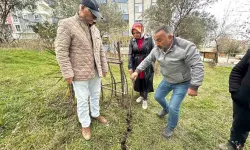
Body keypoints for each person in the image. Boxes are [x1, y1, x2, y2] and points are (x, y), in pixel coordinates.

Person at [131, 25, 204, 138]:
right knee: (158, 96)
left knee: (174, 107)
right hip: (167, 79)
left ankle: (170, 127)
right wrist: (137, 70)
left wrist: (194, 86)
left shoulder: (186, 47)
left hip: (182, 82)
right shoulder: (157, 49)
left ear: (170, 37)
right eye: (155, 40)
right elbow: (148, 59)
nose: (157, 43)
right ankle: (166, 109)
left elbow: (197, 65)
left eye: (159, 40)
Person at [55, 0, 108, 141]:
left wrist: (104, 67)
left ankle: (95, 113)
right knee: (83, 99)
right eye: (92, 14)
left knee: (95, 94)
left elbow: (100, 50)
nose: (94, 18)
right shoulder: (66, 24)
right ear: (82, 8)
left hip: (95, 70)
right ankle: (85, 124)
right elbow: (61, 51)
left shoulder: (95, 28)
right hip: (79, 72)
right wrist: (67, 72)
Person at [219, 49, 250, 150]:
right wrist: (236, 91)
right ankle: (234, 143)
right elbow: (238, 70)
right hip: (242, 101)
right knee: (239, 123)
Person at [128, 23, 155, 109]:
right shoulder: (132, 41)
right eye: (134, 33)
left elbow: (154, 52)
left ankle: (145, 99)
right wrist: (130, 66)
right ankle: (141, 95)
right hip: (136, 63)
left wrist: (153, 63)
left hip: (147, 63)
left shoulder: (149, 39)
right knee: (139, 80)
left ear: (142, 31)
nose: (135, 34)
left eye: (137, 32)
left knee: (146, 80)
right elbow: (130, 54)